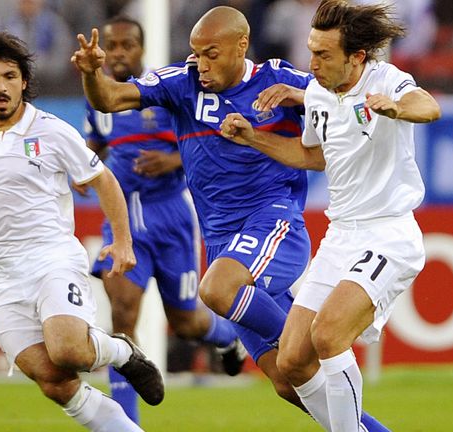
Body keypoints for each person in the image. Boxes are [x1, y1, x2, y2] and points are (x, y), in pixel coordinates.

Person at [73, 4, 319, 411]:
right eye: (196, 52)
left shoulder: (278, 79)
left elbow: (342, 102)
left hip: (273, 222)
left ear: (242, 46)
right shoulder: (182, 83)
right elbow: (110, 98)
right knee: (291, 384)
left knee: (215, 293)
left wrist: (308, 94)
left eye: (211, 54)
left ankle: (306, 348)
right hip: (220, 241)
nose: (200, 64)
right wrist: (90, 74)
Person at [220, 1, 442, 430]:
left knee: (328, 336)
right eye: (311, 51)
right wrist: (253, 139)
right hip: (341, 236)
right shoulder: (319, 94)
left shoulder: (385, 80)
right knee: (293, 359)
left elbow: (428, 106)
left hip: (388, 234)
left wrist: (398, 109)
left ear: (356, 56)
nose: (312, 63)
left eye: (323, 55)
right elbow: (313, 156)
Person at [0, 31, 163, 431]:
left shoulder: (52, 131)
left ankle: (119, 350)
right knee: (53, 380)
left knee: (69, 349)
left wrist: (123, 241)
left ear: (23, 81)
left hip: (51, 258)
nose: (0, 87)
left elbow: (104, 180)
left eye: (9, 76)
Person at [75, 15, 245, 424]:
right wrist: (83, 165)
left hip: (171, 217)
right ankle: (126, 421)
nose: (117, 53)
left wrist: (171, 159)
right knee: (122, 316)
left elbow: (213, 149)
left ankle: (227, 339)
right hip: (124, 220)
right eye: (111, 46)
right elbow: (95, 141)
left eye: (126, 45)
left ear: (141, 50)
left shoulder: (169, 93)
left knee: (186, 323)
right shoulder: (98, 97)